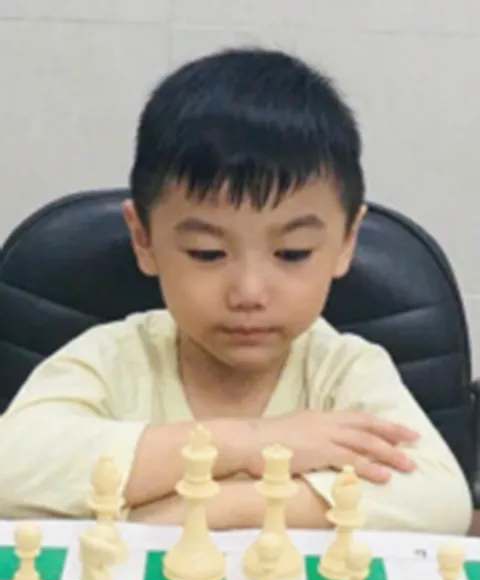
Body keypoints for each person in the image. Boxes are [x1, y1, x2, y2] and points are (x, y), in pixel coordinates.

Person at [0, 48, 472, 533]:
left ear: (347, 242)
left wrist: (216, 510)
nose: (249, 293)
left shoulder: (346, 370)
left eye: (292, 253)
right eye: (207, 253)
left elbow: (441, 502)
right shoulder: (113, 358)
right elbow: (10, 469)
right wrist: (248, 443)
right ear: (143, 239)